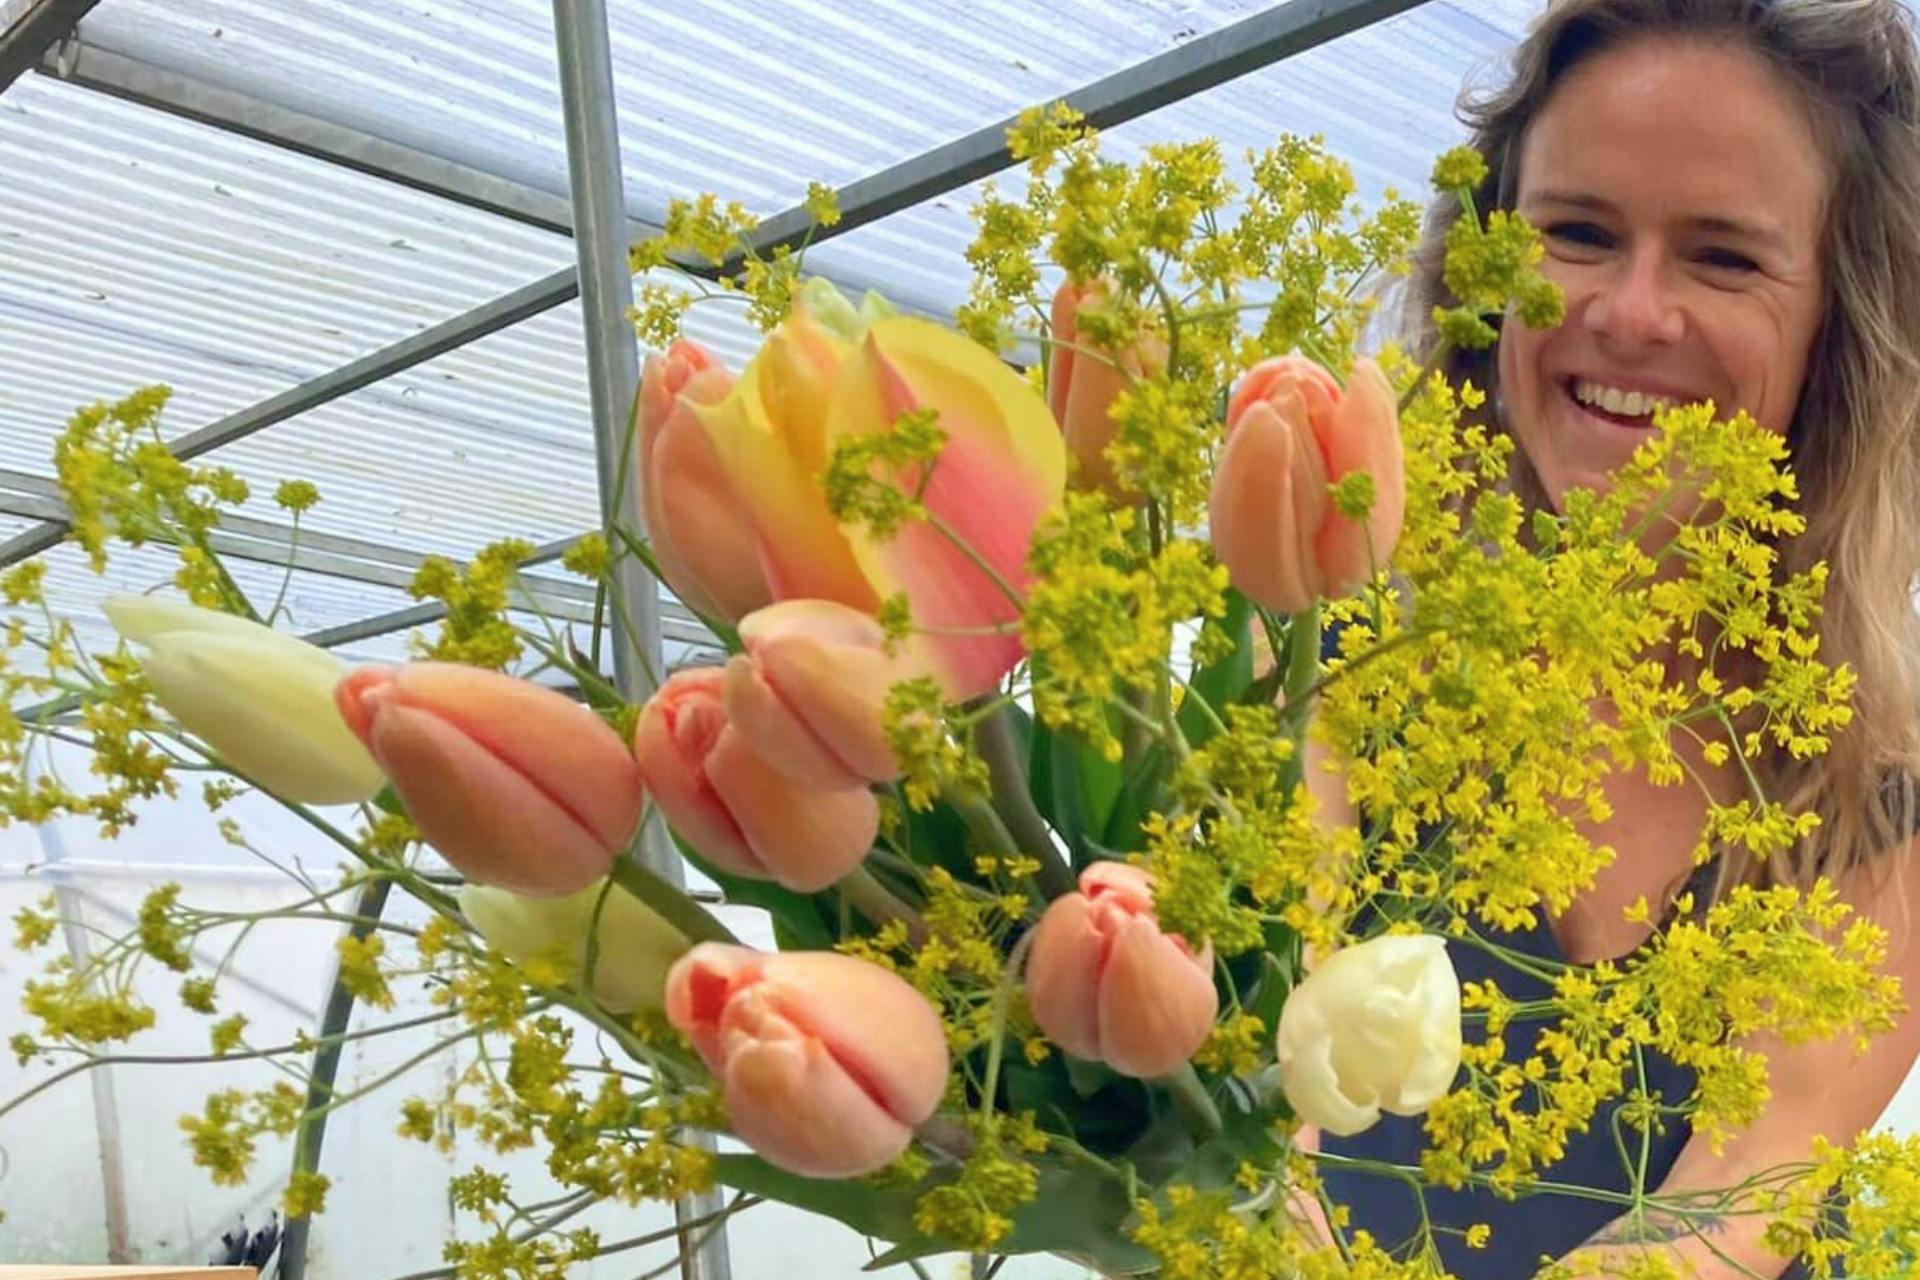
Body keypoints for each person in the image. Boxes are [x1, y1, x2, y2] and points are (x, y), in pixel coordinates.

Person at [1311, 2, 1920, 1277]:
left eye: (1725, 258)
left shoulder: (1882, 784)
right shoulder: (1347, 658)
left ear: (1839, 328)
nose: (1633, 315)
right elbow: (1251, 1137)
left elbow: (1731, 1208)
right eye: (1578, 234)